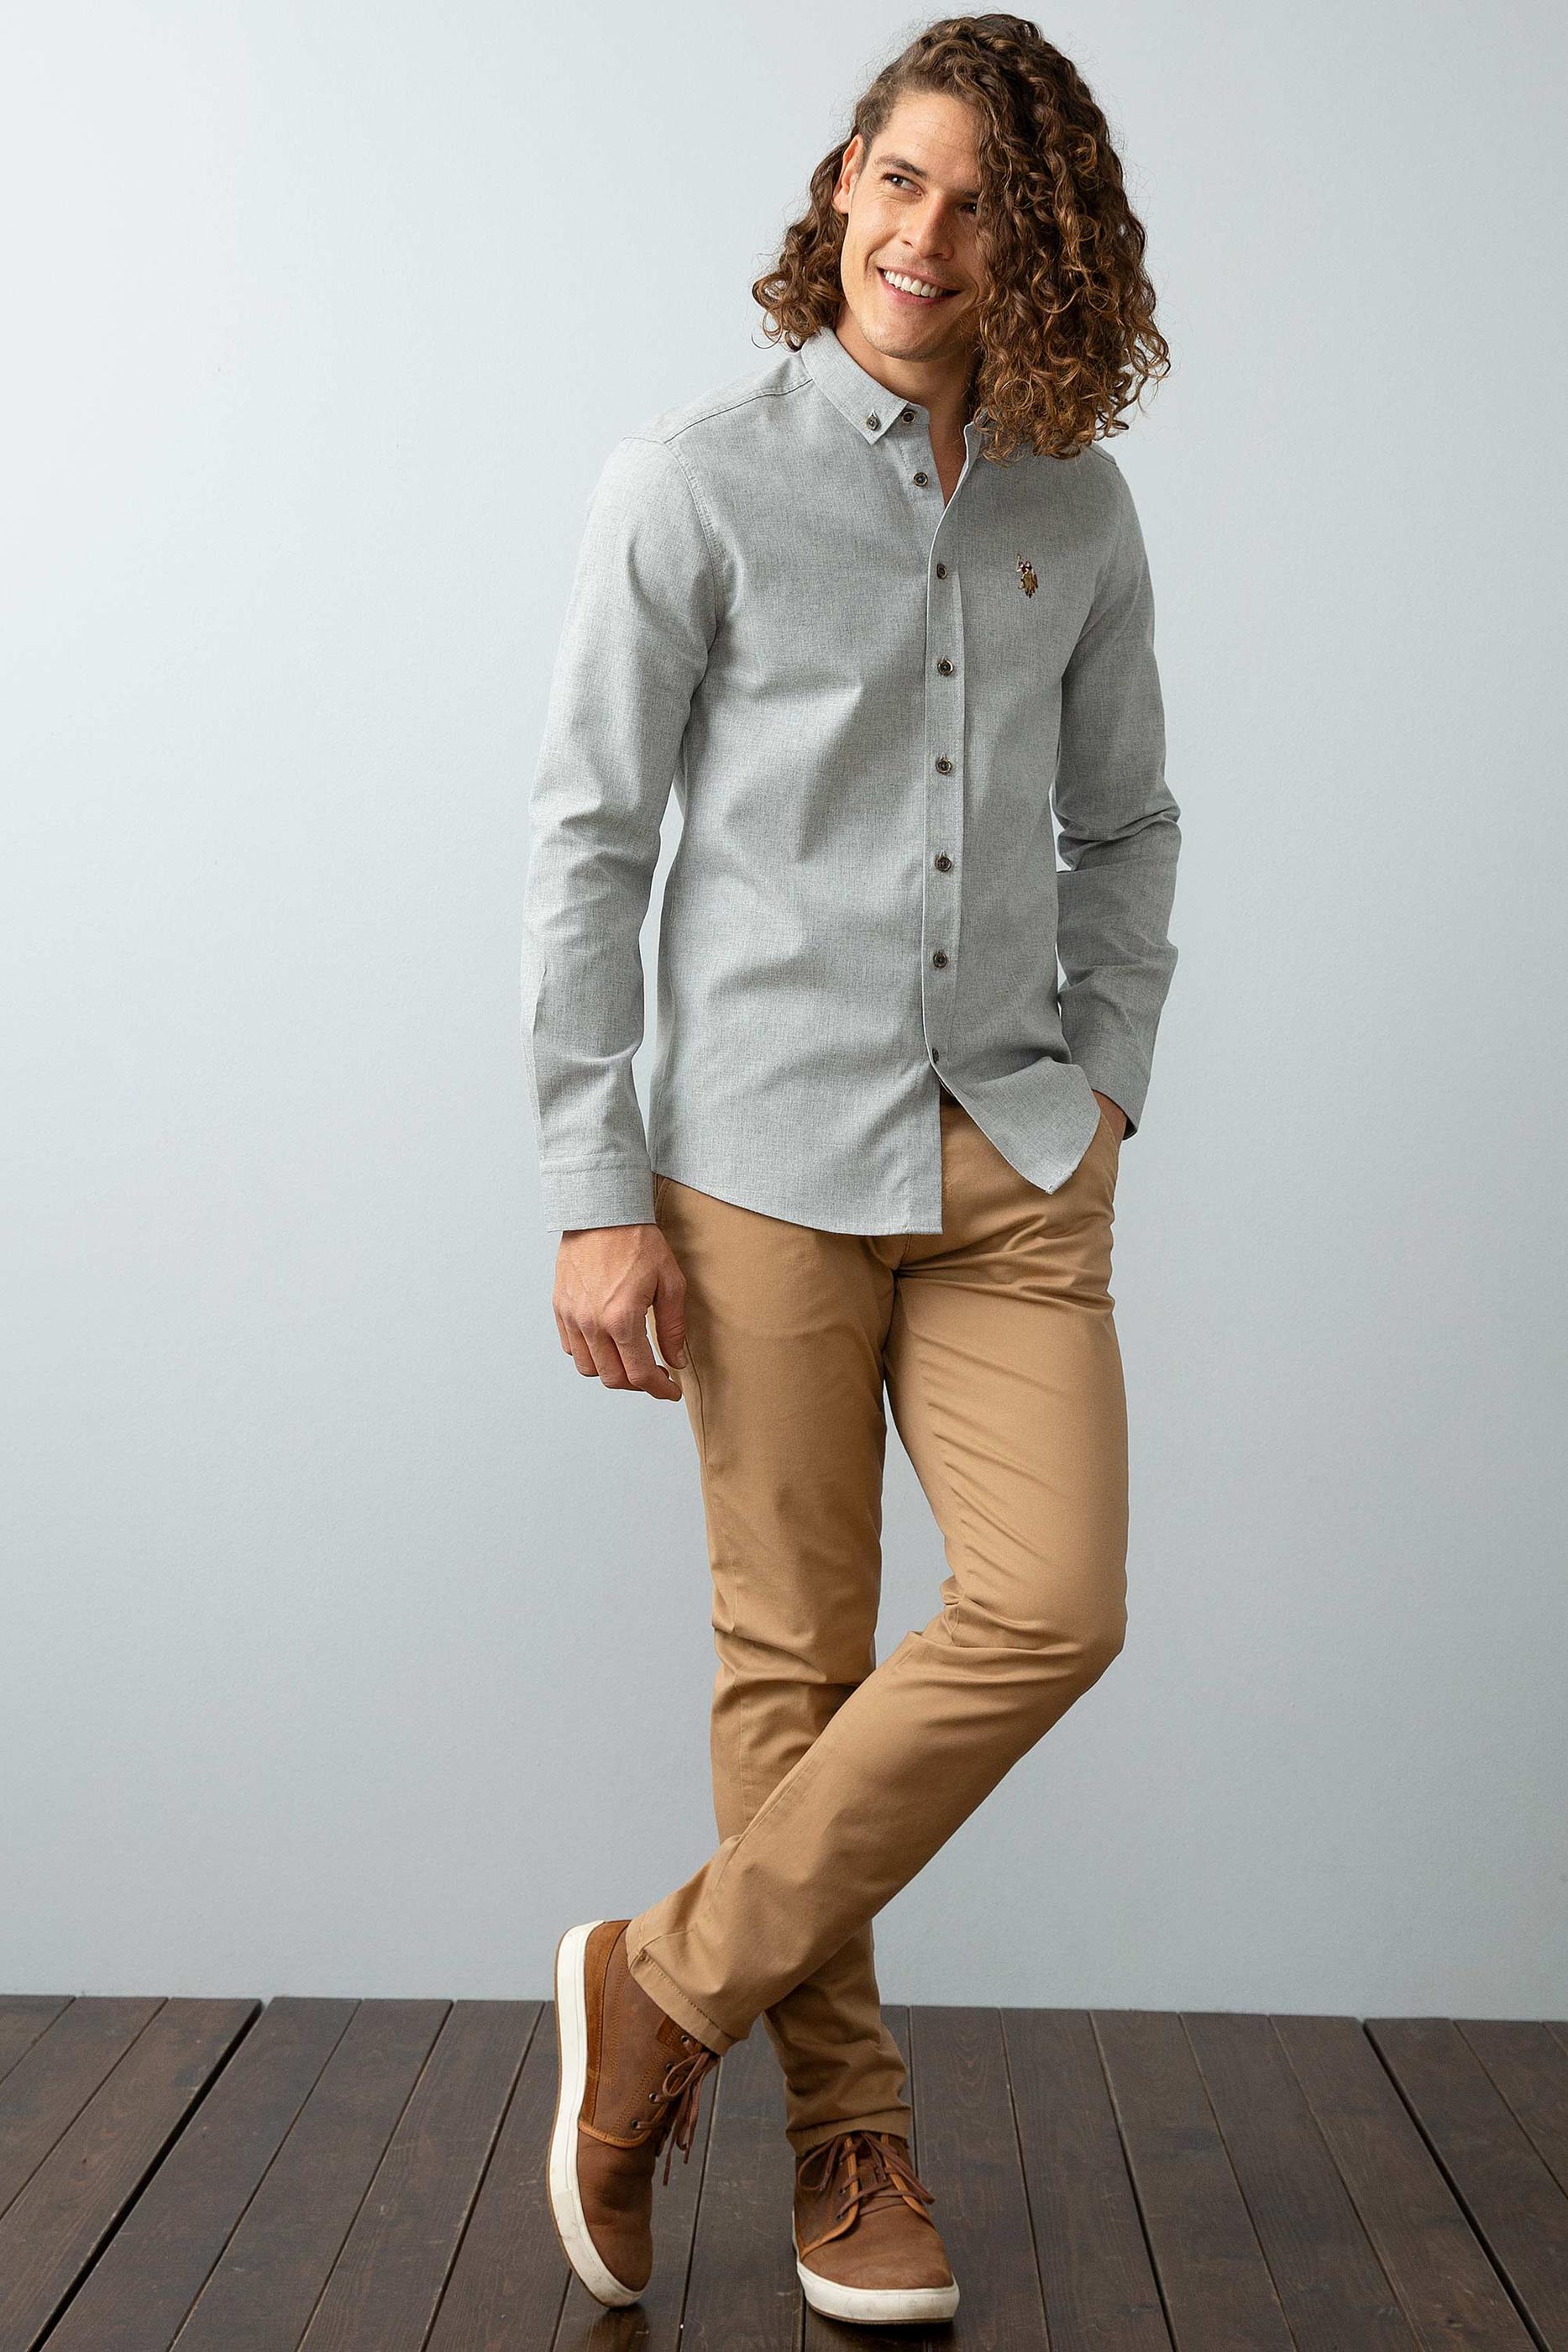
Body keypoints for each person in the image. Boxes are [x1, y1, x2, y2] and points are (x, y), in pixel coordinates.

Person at [522, 11, 1181, 2327]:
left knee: (1052, 1602)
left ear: (1040, 246)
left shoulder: (1077, 509)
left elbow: (1129, 825)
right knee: (789, 1658)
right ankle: (845, 2145)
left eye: (981, 204)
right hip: (760, 1162)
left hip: (1013, 1157)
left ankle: (658, 1988)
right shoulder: (691, 485)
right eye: (897, 179)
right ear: (838, 189)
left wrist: (1106, 1080)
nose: (926, 235)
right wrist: (596, 1183)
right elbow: (590, 846)